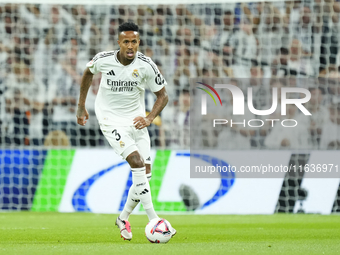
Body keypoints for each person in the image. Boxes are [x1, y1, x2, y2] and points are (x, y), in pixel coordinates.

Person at [76, 22, 176, 241]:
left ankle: (123, 218)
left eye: (134, 42)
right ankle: (154, 219)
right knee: (137, 163)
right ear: (119, 43)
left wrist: (150, 118)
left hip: (137, 121)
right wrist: (81, 105)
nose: (130, 46)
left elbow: (163, 95)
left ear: (138, 42)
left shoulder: (147, 65)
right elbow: (87, 73)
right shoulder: (103, 59)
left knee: (145, 176)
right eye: (126, 42)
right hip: (110, 120)